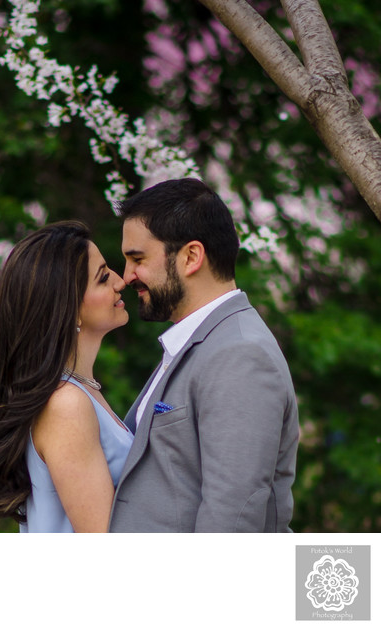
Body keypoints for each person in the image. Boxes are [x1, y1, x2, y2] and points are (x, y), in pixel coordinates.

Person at [110, 177, 299, 532]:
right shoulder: (200, 343)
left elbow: (232, 518)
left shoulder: (239, 355)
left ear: (191, 257)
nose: (126, 276)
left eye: (137, 259)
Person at [0, 221, 133, 532]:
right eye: (102, 278)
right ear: (69, 309)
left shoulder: (77, 392)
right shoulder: (66, 404)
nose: (120, 281)